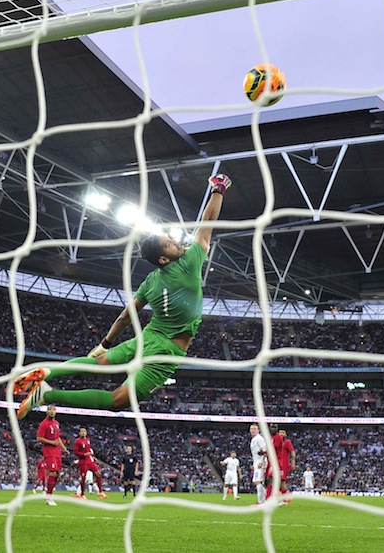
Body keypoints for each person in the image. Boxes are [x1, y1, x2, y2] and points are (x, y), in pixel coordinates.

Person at [13, 174, 233, 419]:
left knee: (98, 363)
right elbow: (207, 221)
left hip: (146, 338)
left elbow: (126, 316)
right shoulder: (190, 262)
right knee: (117, 400)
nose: (175, 241)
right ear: (163, 259)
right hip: (165, 352)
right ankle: (48, 395)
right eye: (169, 243)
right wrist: (218, 189)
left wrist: (105, 344)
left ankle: (49, 372)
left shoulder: (150, 282)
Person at [37, 403, 71, 506]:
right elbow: (39, 438)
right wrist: (52, 443)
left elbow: (58, 438)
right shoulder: (44, 424)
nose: (52, 412)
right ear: (47, 412)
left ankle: (48, 492)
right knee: (53, 472)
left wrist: (64, 449)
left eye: (53, 410)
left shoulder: (56, 423)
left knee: (57, 473)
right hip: (48, 451)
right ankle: (49, 496)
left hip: (57, 451)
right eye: (50, 410)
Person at [71, 427, 107, 500]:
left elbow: (88, 450)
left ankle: (100, 491)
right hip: (83, 462)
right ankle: (82, 494)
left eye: (84, 431)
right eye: (82, 431)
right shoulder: (78, 441)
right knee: (83, 478)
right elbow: (75, 452)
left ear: (86, 433)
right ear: (79, 433)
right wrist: (84, 454)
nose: (83, 433)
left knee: (98, 474)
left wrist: (92, 457)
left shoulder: (87, 440)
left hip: (89, 461)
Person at [249, 423, 268, 505]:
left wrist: (261, 462)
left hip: (260, 462)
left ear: (258, 430)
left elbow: (265, 450)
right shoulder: (254, 439)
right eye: (251, 429)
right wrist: (254, 464)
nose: (253, 430)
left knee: (257, 481)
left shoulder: (259, 438)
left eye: (255, 429)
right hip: (257, 462)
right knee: (258, 482)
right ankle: (265, 500)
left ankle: (261, 502)